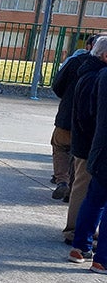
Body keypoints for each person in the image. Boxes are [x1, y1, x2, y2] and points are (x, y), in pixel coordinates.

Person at [66, 36, 107, 259]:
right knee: (87, 192)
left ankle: (80, 244)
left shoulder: (95, 73)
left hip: (96, 146)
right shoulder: (95, 74)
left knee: (93, 198)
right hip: (92, 145)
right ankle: (98, 255)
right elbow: (87, 114)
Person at [52, 36, 97, 207]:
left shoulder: (75, 62)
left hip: (66, 117)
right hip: (91, 123)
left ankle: (62, 181)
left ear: (89, 46)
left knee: (60, 147)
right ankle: (72, 188)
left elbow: (57, 86)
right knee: (78, 156)